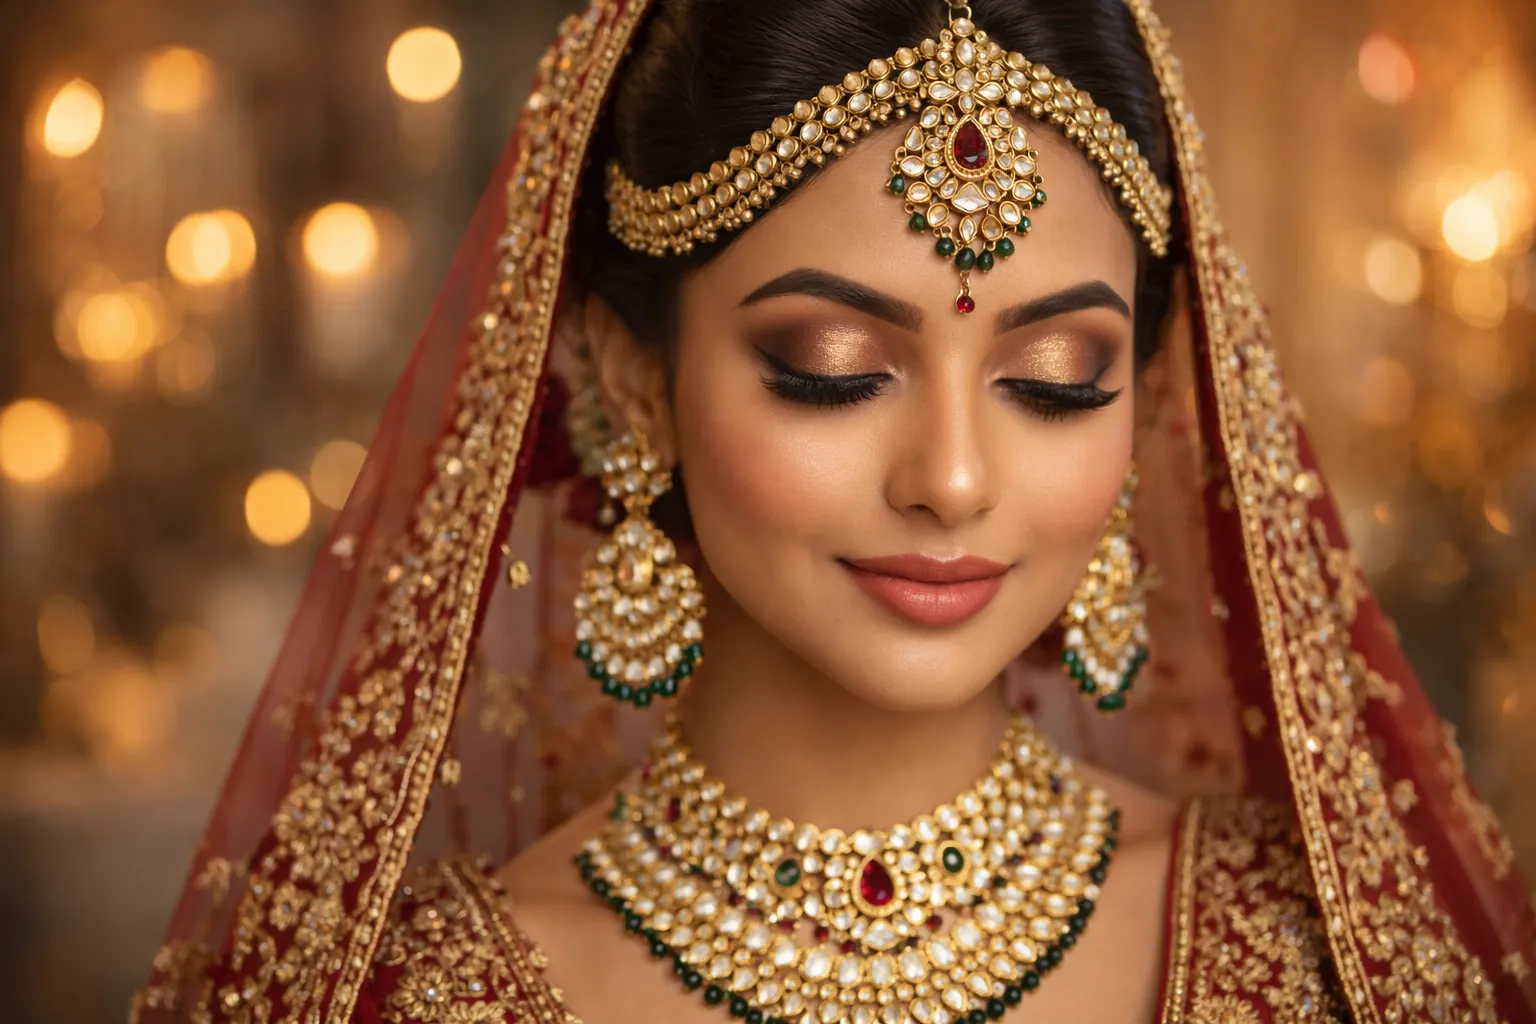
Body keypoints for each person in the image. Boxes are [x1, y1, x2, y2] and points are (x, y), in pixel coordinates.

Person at [133, 0, 1536, 1021]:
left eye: (1055, 379)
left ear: (1151, 392)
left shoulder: (1326, 955)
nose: (955, 477)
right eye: (833, 370)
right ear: (639, 379)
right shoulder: (412, 1002)